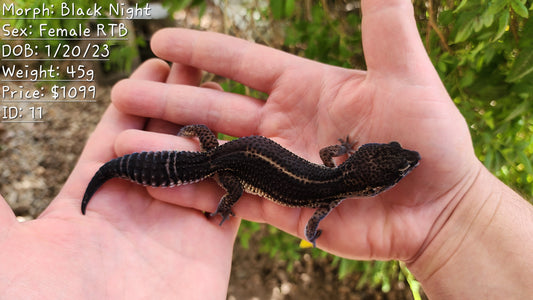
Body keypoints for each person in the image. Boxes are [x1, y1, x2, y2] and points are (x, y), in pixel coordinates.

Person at [0, 0, 532, 298]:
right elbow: (313, 224)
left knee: (183, 157)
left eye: (394, 162)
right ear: (371, 181)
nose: (402, 161)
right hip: (225, 170)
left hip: (224, 155)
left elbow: (326, 164)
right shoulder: (328, 199)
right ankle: (132, 170)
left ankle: (141, 163)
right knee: (198, 173)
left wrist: (452, 213)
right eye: (393, 160)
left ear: (368, 173)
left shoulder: (336, 171)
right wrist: (233, 207)